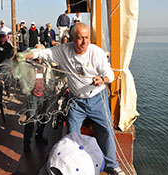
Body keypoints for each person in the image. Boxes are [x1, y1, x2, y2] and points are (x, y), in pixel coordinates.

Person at [23, 23, 125, 175]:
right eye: (80, 38)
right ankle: (72, 168)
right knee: (71, 134)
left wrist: (102, 79)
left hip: (97, 98)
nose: (84, 42)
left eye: (86, 38)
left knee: (106, 130)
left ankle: (112, 165)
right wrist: (23, 55)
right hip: (76, 102)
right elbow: (43, 53)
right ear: (71, 39)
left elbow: (110, 74)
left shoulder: (96, 52)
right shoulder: (64, 51)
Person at [22, 58, 50, 153]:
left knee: (43, 117)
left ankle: (39, 136)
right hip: (32, 95)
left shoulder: (47, 65)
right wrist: (27, 91)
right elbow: (22, 79)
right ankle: (27, 142)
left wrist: (50, 90)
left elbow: (51, 78)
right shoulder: (29, 66)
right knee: (30, 117)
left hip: (44, 95)